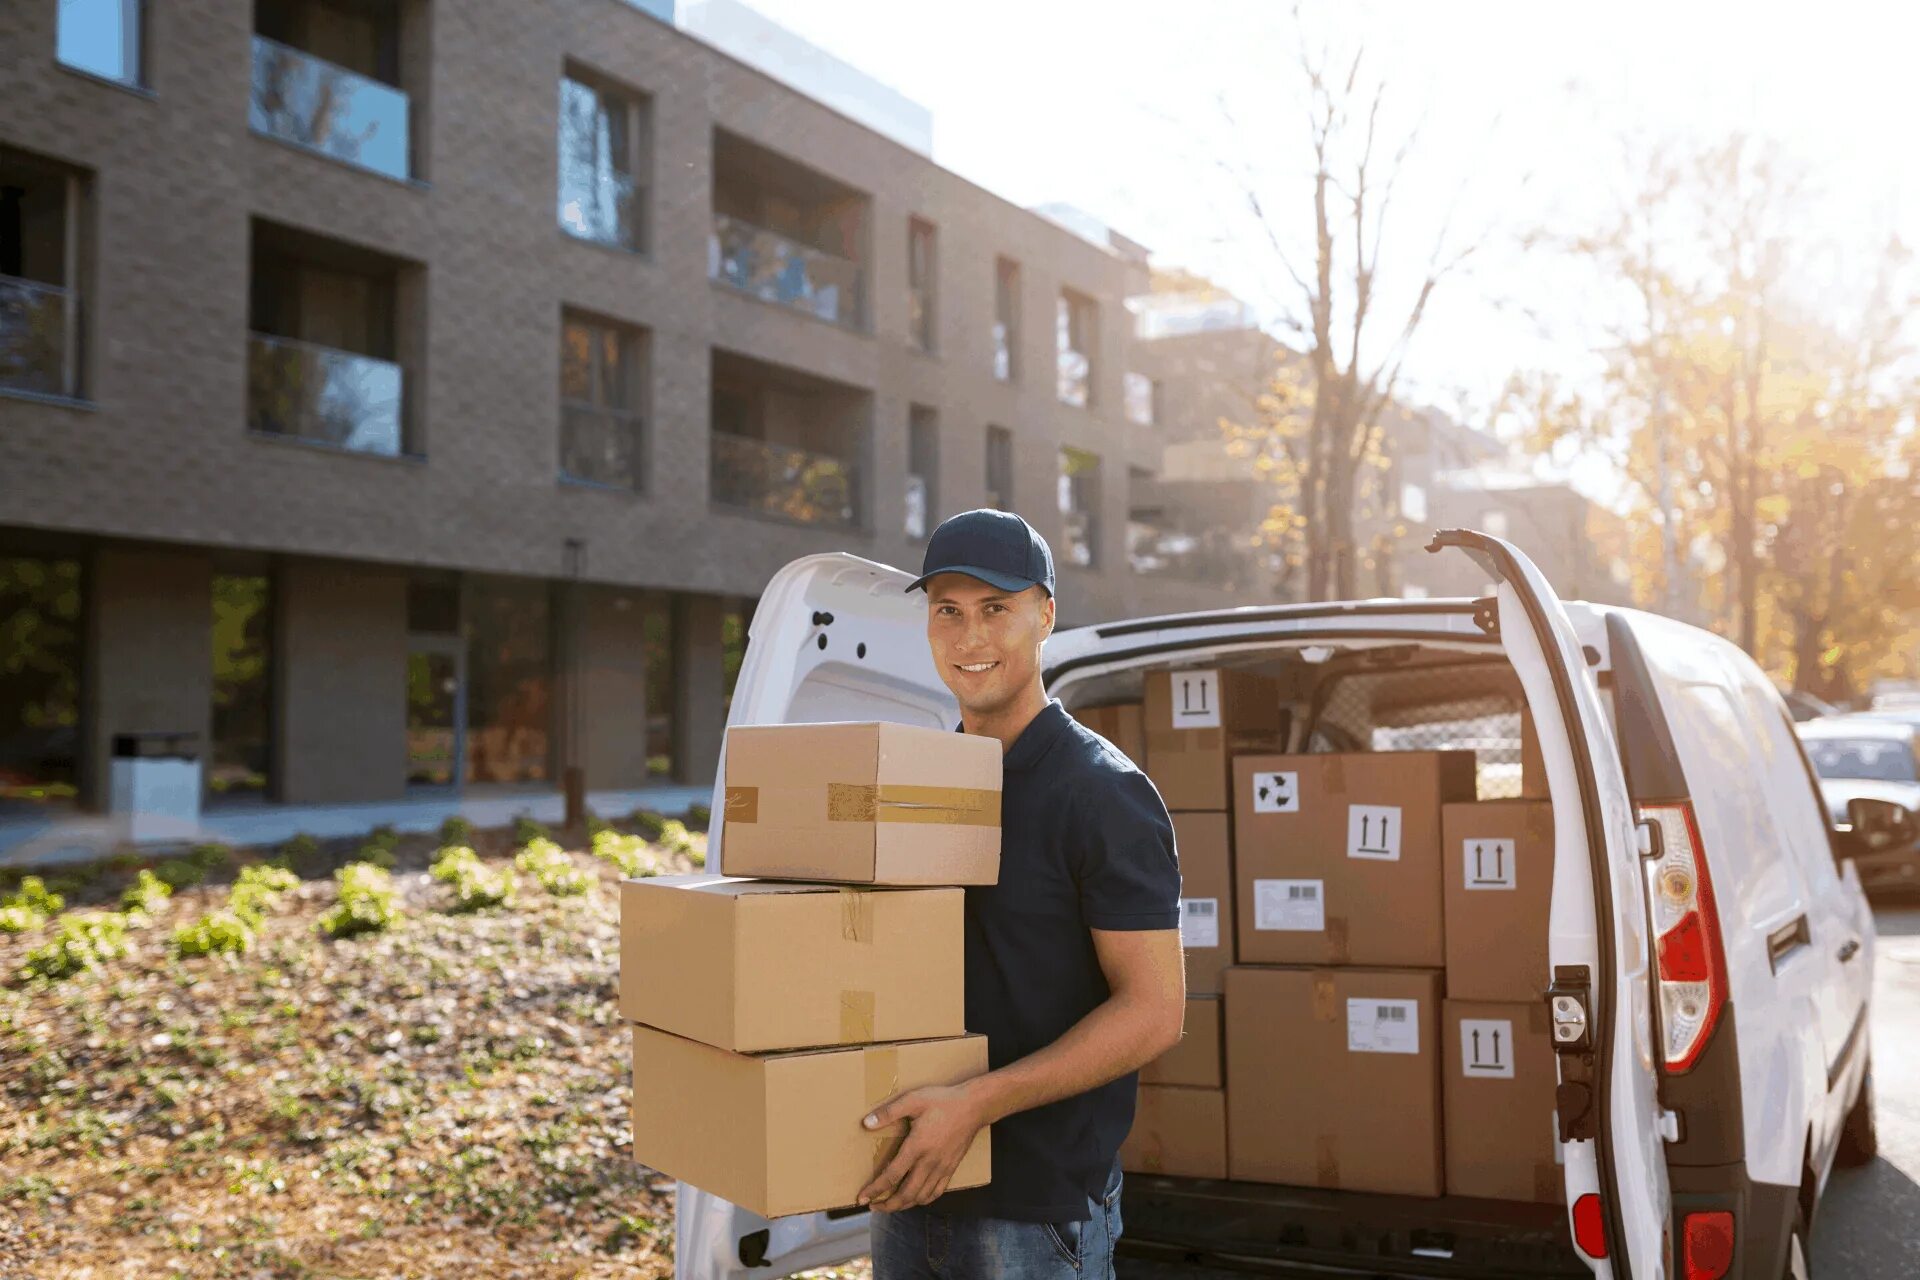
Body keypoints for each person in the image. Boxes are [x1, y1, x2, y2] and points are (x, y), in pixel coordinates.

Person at [860, 508, 1187, 1279]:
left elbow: (1154, 1011)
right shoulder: (921, 788)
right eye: (949, 611)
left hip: (1035, 1214)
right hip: (912, 1185)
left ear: (1045, 615)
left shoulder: (1103, 794)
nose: (970, 638)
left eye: (996, 609)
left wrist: (976, 1103)